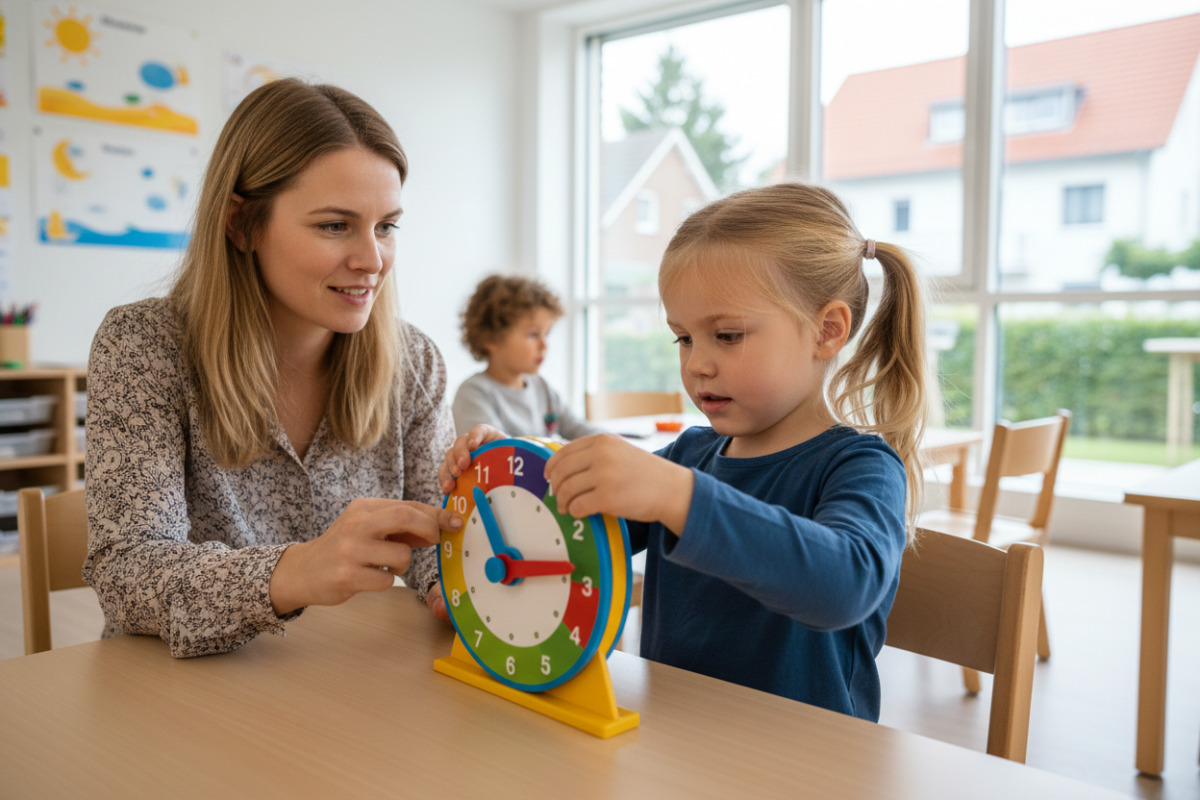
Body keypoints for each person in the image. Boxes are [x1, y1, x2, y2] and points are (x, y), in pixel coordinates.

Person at [441, 182, 926, 721]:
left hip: (804, 754)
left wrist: (678, 496)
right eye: (684, 338)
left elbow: (844, 585)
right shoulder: (690, 454)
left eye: (728, 335)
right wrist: (511, 476)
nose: (696, 364)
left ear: (827, 331)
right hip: (671, 738)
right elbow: (572, 535)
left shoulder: (861, 466)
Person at [83, 78, 460, 658]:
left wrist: (497, 506)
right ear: (241, 224)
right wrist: (299, 570)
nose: (373, 260)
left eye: (386, 226)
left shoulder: (415, 363)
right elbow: (129, 574)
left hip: (348, 679)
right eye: (335, 226)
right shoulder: (143, 345)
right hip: (175, 690)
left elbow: (437, 551)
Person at [451, 273, 600, 439]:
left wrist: (614, 442)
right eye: (533, 335)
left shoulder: (542, 388)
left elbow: (579, 429)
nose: (544, 345)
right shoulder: (473, 394)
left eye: (547, 334)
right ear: (491, 338)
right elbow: (498, 451)